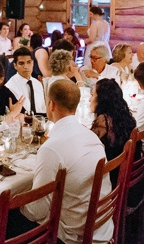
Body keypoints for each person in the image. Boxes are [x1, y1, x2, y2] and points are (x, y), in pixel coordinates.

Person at [21, 79, 113, 244]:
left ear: (52, 105)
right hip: (102, 225)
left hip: (74, 235)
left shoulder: (51, 148)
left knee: (4, 220)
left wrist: (17, 200)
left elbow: (37, 211)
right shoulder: (91, 136)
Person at [90, 78, 136, 185]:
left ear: (102, 100)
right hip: (122, 175)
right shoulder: (123, 116)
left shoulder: (103, 122)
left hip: (110, 180)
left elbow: (87, 147)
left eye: (92, 95)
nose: (89, 100)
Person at [5, 47, 46, 115]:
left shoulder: (38, 84)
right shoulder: (10, 87)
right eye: (21, 63)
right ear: (15, 66)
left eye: (28, 62)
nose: (26, 66)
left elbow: (43, 108)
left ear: (32, 63)